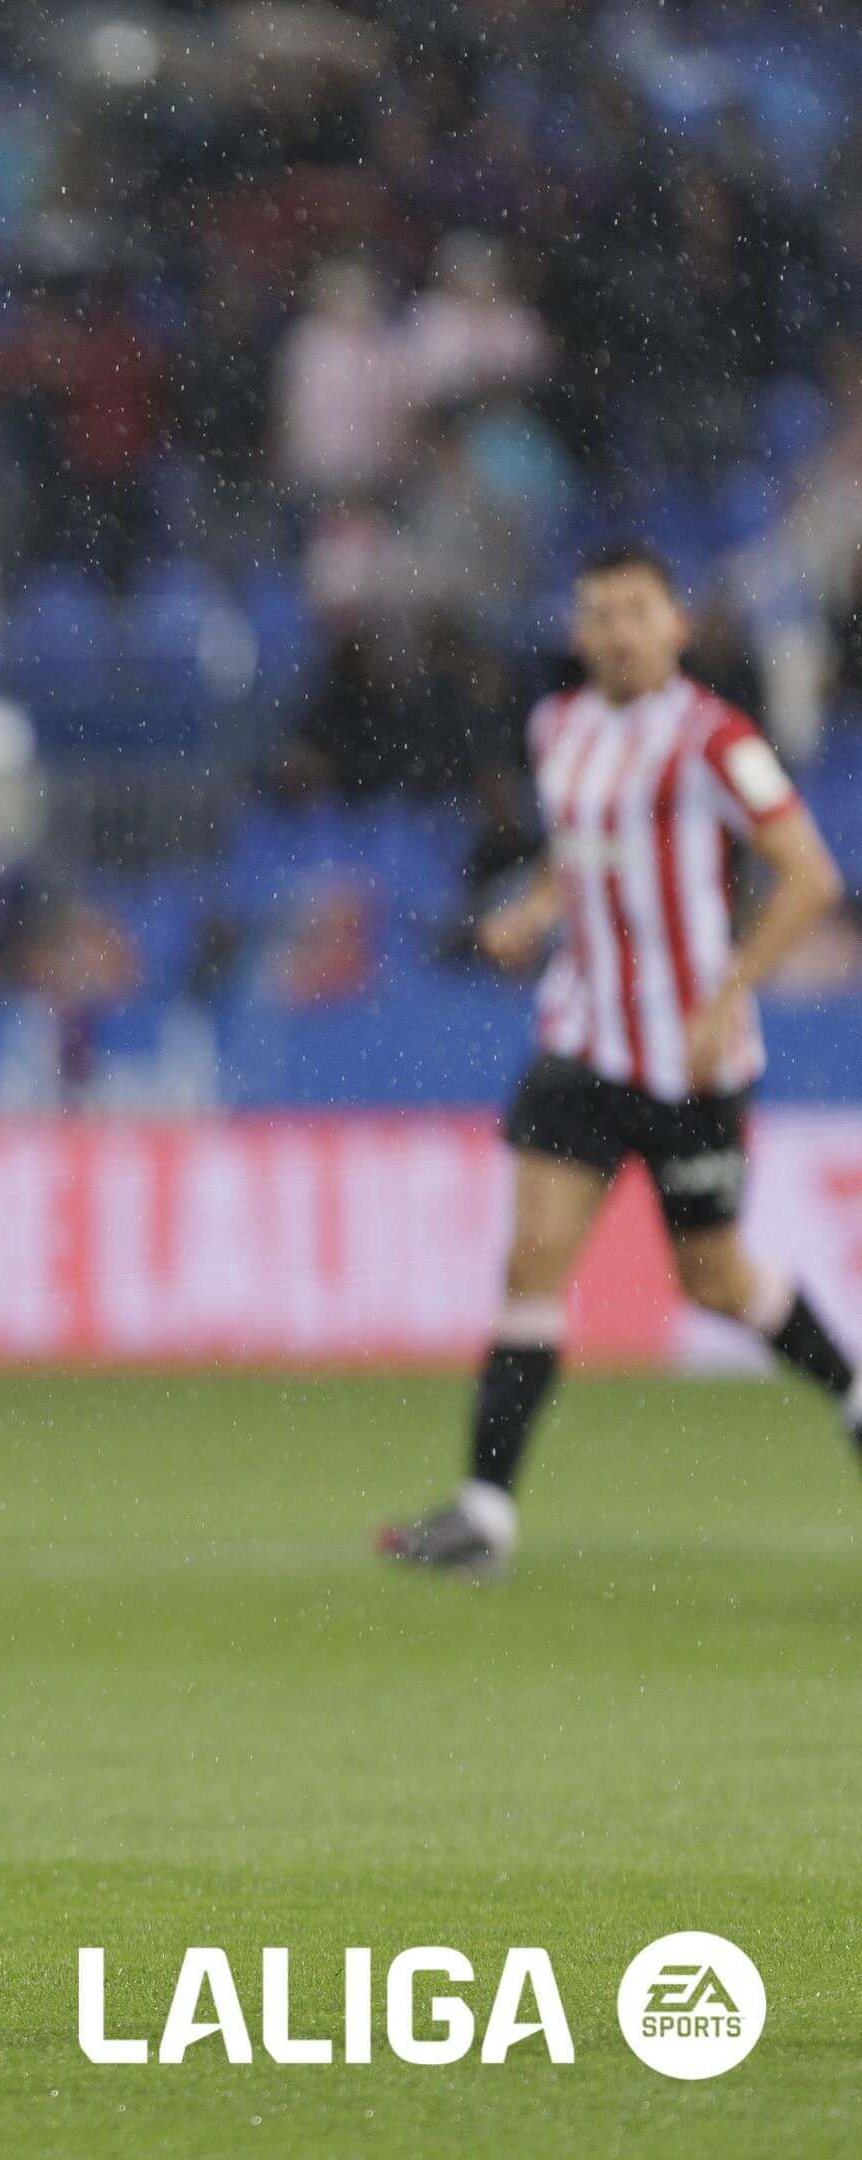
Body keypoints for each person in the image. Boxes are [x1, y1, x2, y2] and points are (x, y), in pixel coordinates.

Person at [380, 547, 858, 1580]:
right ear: (578, 630)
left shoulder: (717, 740)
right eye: (598, 614)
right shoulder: (558, 727)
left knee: (715, 1280)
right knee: (532, 1262)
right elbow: (584, 849)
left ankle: (853, 1390)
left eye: (636, 611)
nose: (617, 632)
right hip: (583, 1044)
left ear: (676, 625)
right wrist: (533, 910)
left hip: (692, 1064)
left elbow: (810, 877)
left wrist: (729, 990)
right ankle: (485, 1515)